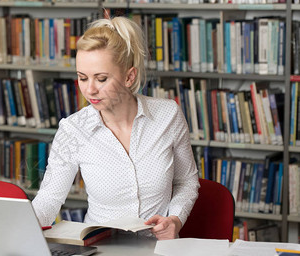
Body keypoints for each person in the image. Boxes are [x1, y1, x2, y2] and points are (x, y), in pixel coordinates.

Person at [32, 16, 199, 240]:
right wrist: (17, 232)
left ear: (129, 77)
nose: (89, 90)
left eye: (101, 79)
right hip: (100, 252)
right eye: (82, 78)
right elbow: (49, 199)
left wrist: (176, 219)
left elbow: (186, 181)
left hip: (158, 251)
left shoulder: (168, 115)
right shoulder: (73, 129)